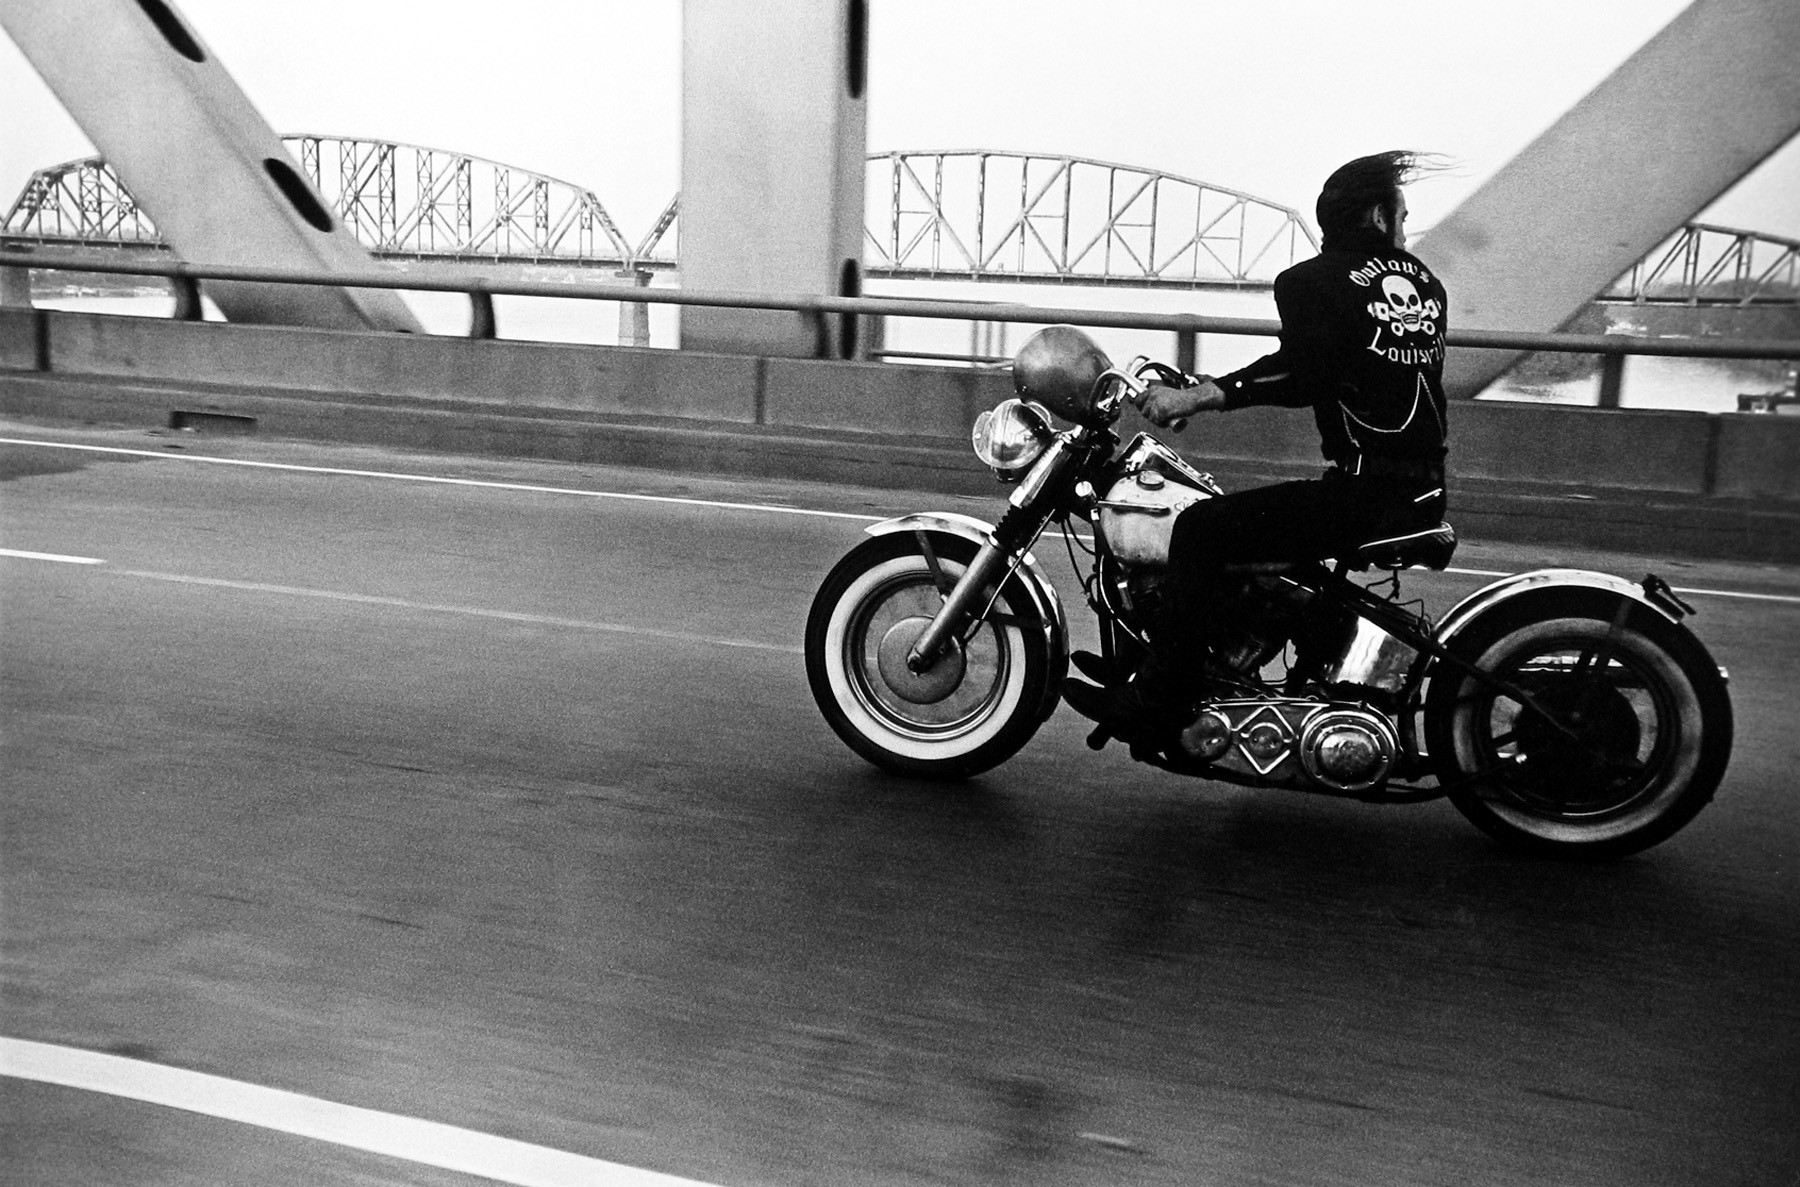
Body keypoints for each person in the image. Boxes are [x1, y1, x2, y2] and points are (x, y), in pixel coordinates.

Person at [1065, 150, 1450, 730]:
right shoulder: (1426, 287)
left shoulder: (1313, 282)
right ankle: (1169, 661)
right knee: (1242, 534)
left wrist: (1199, 396)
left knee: (1199, 527)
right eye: (1402, 216)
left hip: (1364, 496)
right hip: (1418, 488)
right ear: (1376, 218)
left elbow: (1302, 374)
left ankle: (1161, 702)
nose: (1404, 229)